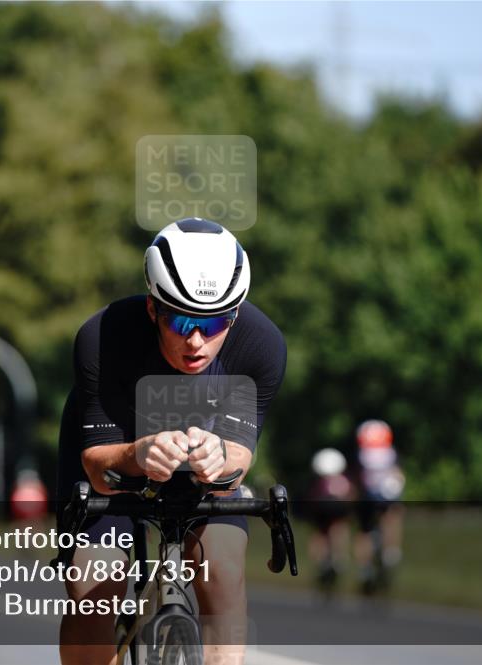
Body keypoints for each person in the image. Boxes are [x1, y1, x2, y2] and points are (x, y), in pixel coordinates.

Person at [56, 218, 286, 665]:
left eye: (216, 322)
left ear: (235, 314)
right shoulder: (102, 339)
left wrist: (219, 457)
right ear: (152, 308)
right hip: (117, 448)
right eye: (180, 321)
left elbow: (238, 460)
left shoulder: (261, 346)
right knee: (94, 583)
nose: (196, 341)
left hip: (203, 455)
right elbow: (98, 471)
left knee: (223, 568)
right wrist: (137, 453)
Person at [351, 419, 405, 593]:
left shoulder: (360, 455)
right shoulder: (391, 454)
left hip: (368, 498)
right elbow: (399, 476)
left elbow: (357, 480)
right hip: (386, 497)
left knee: (364, 529)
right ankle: (391, 552)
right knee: (393, 515)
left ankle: (365, 568)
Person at [306, 448, 354, 590]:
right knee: (340, 527)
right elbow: (351, 495)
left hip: (321, 507)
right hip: (338, 507)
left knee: (319, 533)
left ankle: (320, 562)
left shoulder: (318, 482)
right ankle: (340, 558)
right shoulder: (344, 480)